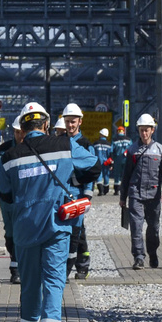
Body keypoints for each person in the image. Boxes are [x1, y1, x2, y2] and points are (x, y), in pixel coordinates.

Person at [0, 102, 98, 322]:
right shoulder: (64, 145)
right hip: (57, 224)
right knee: (53, 280)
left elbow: (5, 194)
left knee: (30, 281)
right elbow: (93, 166)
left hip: (25, 227)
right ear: (46, 125)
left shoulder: (8, 157)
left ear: (23, 127)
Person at [119, 113, 162, 270]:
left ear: (152, 130)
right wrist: (123, 197)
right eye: (141, 130)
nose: (144, 133)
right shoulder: (132, 151)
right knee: (136, 227)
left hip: (154, 195)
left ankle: (153, 252)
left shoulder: (160, 150)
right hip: (135, 193)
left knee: (153, 228)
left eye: (147, 130)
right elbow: (126, 176)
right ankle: (139, 257)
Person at [0, 114, 25, 284]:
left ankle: (20, 269)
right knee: (11, 235)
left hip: (26, 200)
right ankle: (15, 267)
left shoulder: (32, 149)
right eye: (17, 132)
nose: (21, 135)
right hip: (7, 202)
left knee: (24, 233)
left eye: (22, 131)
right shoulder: (3, 150)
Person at [62, 102, 98, 280]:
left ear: (80, 122)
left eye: (73, 121)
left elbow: (91, 171)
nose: (70, 125)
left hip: (77, 195)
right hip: (62, 195)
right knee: (67, 231)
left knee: (77, 231)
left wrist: (87, 195)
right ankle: (71, 266)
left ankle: (80, 266)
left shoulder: (85, 144)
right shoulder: (59, 143)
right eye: (67, 121)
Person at [111, 125, 132, 193]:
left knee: (117, 174)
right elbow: (132, 149)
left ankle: (116, 190)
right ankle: (125, 189)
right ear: (124, 132)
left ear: (117, 132)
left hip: (117, 159)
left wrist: (112, 159)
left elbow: (111, 150)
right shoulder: (128, 140)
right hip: (126, 159)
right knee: (125, 174)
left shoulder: (114, 140)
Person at [93, 128, 113, 196]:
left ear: (101, 134)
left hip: (98, 162)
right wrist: (111, 165)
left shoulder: (96, 144)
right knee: (106, 176)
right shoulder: (109, 145)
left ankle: (100, 191)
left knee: (99, 176)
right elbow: (111, 155)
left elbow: (92, 153)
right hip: (106, 163)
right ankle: (106, 190)